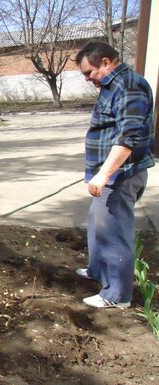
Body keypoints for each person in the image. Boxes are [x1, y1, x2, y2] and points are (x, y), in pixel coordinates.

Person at [75, 41, 155, 309]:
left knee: (114, 233)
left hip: (120, 176)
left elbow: (129, 136)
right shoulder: (112, 86)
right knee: (97, 224)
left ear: (107, 62)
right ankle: (98, 271)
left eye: (89, 72)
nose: (88, 79)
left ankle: (117, 295)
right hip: (108, 174)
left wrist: (104, 174)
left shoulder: (128, 86)